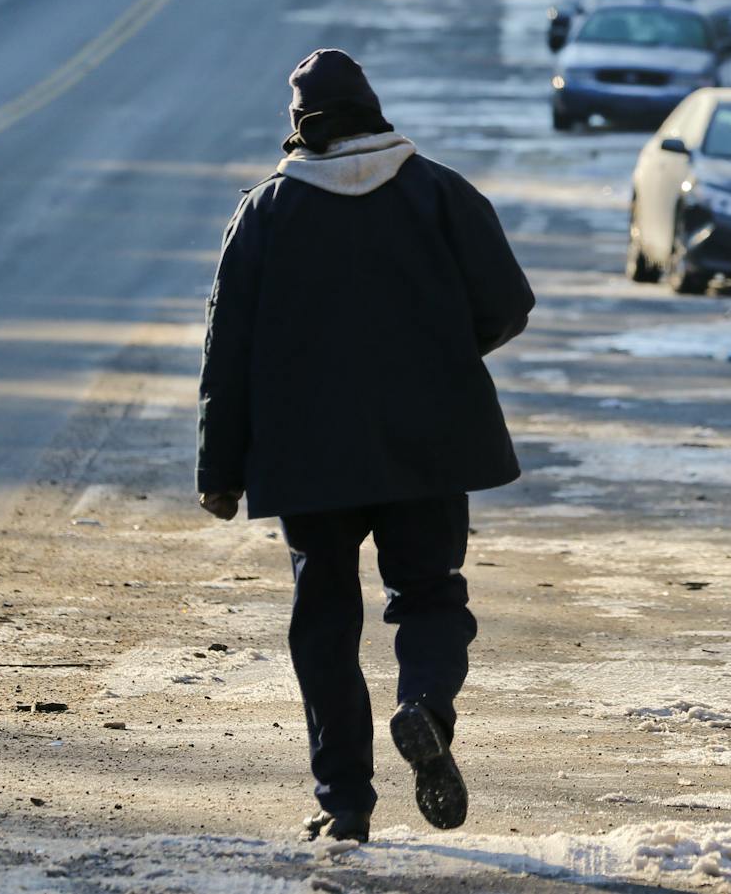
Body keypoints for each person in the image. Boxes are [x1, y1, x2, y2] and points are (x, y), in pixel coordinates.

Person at [194, 50, 535, 843]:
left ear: (301, 130)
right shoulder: (439, 191)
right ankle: (424, 705)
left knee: (324, 616)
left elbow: (228, 351)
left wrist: (220, 471)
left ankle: (344, 800)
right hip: (428, 441)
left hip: (308, 454)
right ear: (374, 111)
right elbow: (508, 303)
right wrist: (444, 355)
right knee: (430, 592)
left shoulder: (268, 211)